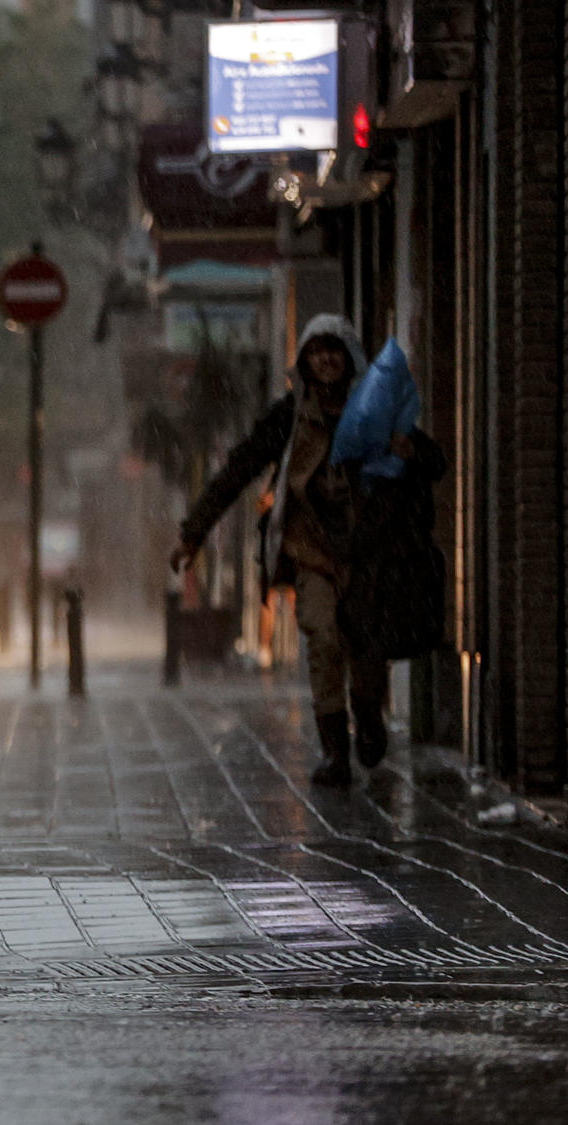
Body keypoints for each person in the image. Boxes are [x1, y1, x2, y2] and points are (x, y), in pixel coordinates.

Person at [169, 314, 445, 786]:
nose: (326, 360)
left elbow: (432, 461)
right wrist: (194, 532)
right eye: (316, 352)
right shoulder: (290, 417)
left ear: (350, 357)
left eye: (334, 351)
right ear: (305, 362)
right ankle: (335, 750)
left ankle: (369, 716)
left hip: (370, 554)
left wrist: (410, 453)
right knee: (322, 638)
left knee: (366, 646)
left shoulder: (376, 410)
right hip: (312, 551)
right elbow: (240, 468)